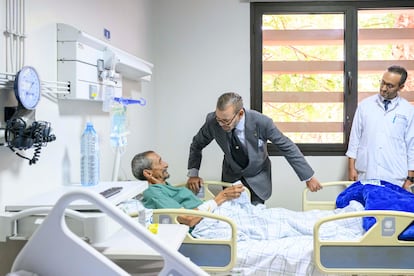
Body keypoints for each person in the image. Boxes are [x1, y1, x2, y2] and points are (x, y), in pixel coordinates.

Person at [130, 150, 363, 240]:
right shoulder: (155, 193)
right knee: (283, 223)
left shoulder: (168, 186)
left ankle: (350, 219)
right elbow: (188, 219)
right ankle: (347, 224)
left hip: (218, 214)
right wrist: (220, 198)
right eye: (161, 162)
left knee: (282, 215)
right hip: (208, 226)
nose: (166, 162)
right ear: (149, 173)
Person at [186, 92, 322, 205]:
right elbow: (197, 144)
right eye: (218, 119)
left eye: (226, 121)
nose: (221, 124)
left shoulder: (262, 123)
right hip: (231, 176)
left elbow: (287, 147)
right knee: (233, 220)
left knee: (256, 216)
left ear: (240, 114)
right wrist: (193, 174)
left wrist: (308, 177)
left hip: (258, 176)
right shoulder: (213, 122)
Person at [346, 65, 414, 191]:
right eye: (382, 82)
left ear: (401, 87)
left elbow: (412, 146)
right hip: (367, 172)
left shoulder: (408, 111)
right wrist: (351, 168)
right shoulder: (365, 106)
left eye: (390, 86)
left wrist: (410, 179)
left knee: (391, 209)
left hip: (395, 176)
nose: (383, 88)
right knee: (366, 208)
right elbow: (355, 138)